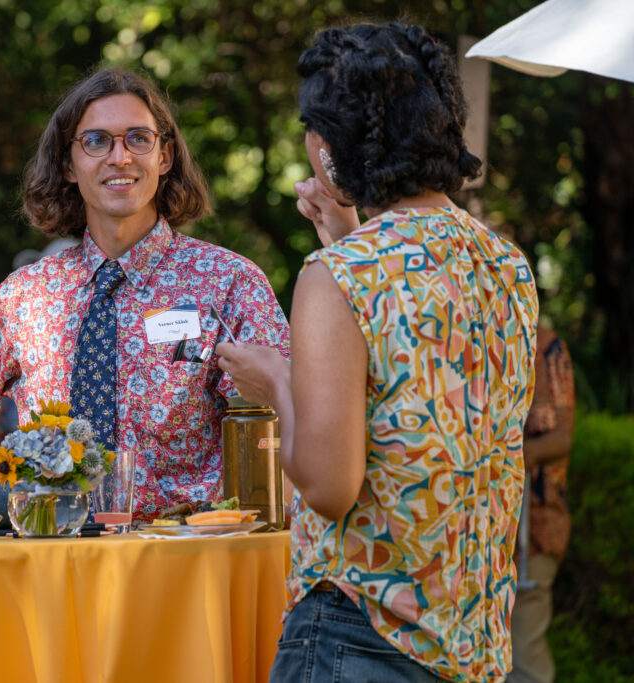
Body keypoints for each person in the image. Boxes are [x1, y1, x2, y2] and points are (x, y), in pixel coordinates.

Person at [216, 22, 538, 682]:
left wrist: (277, 380)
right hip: (469, 639)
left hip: (357, 635)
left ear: (330, 148)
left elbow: (331, 487)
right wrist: (344, 230)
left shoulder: (336, 277)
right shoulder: (506, 264)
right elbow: (418, 388)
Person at [0, 68, 289, 519]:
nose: (120, 157)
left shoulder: (228, 282)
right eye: (96, 141)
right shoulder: (30, 294)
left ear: (165, 157)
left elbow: (283, 409)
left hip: (183, 555)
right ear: (69, 165)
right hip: (52, 551)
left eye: (138, 139)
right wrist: (0, 474)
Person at [509, 324, 575, 683]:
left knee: (525, 662)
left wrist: (499, 459)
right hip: (479, 536)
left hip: (532, 531)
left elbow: (561, 437)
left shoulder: (544, 344)